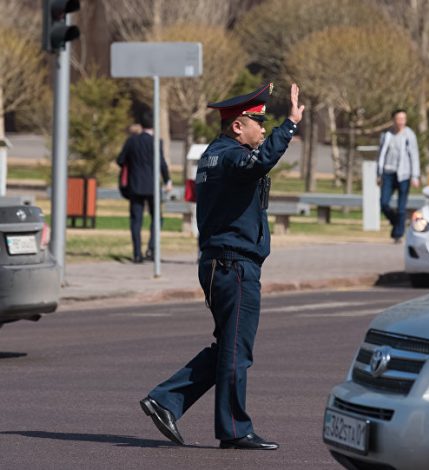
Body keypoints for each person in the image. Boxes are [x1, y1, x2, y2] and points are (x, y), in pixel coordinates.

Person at [139, 83, 304, 450]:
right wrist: (289, 125)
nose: (262, 129)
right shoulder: (232, 157)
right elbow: (261, 161)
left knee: (227, 347)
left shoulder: (214, 155)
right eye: (257, 123)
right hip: (234, 264)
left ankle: (165, 400)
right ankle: (233, 429)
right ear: (237, 126)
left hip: (218, 263)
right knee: (235, 352)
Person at [116, 111, 172, 264]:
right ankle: (152, 248)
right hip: (153, 187)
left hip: (135, 185)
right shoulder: (156, 142)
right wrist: (167, 180)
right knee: (157, 218)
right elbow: (161, 163)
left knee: (136, 220)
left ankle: (136, 254)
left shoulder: (131, 141)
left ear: (141, 125)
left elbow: (120, 160)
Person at [377, 109, 420, 243]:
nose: (401, 122)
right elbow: (380, 155)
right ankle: (397, 223)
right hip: (388, 173)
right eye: (398, 119)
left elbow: (414, 155)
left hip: (404, 174)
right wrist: (378, 174)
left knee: (401, 208)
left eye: (403, 119)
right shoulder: (386, 135)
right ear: (393, 120)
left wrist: (415, 175)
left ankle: (397, 235)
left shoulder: (409, 135)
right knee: (384, 203)